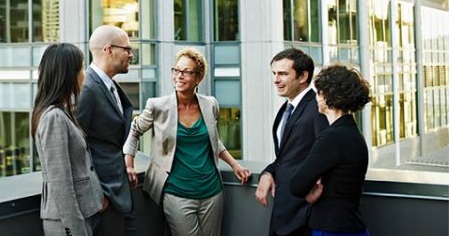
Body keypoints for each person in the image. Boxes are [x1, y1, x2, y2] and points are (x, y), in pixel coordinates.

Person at [123, 48, 251, 236]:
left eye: (187, 72)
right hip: (177, 193)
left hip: (212, 191)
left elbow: (214, 141)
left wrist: (234, 165)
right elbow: (134, 132)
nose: (179, 76)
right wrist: (129, 164)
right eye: (176, 70)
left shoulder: (210, 104)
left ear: (198, 78)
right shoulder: (157, 105)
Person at [32, 43, 105, 236]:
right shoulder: (53, 118)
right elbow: (60, 181)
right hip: (69, 221)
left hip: (85, 212)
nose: (85, 73)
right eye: (81, 67)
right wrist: (75, 229)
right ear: (68, 75)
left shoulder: (63, 112)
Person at [290, 65, 371, 236]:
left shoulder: (332, 137)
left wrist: (310, 193)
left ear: (327, 96)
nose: (316, 98)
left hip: (332, 228)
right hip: (351, 225)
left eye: (318, 92)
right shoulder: (352, 133)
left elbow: (297, 185)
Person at [255, 48, 329, 236]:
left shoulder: (317, 109)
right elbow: (288, 156)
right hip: (283, 212)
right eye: (274, 73)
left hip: (304, 216)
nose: (276, 79)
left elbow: (326, 159)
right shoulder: (285, 109)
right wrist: (268, 172)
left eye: (283, 74)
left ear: (303, 76)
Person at [76, 25, 136, 235]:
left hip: (119, 193)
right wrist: (96, 195)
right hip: (103, 200)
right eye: (127, 49)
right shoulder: (87, 88)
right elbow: (76, 146)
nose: (131, 54)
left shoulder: (109, 85)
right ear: (109, 50)